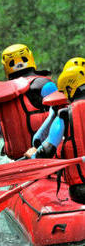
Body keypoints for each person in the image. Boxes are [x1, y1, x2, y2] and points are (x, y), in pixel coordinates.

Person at [0, 44, 57, 160]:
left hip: (20, 161)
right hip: (49, 155)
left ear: (6, 67)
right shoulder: (45, 85)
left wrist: (9, 131)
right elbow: (61, 115)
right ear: (30, 58)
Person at [29, 63, 85, 204]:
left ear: (69, 89)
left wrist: (33, 155)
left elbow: (47, 150)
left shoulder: (65, 114)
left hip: (81, 190)